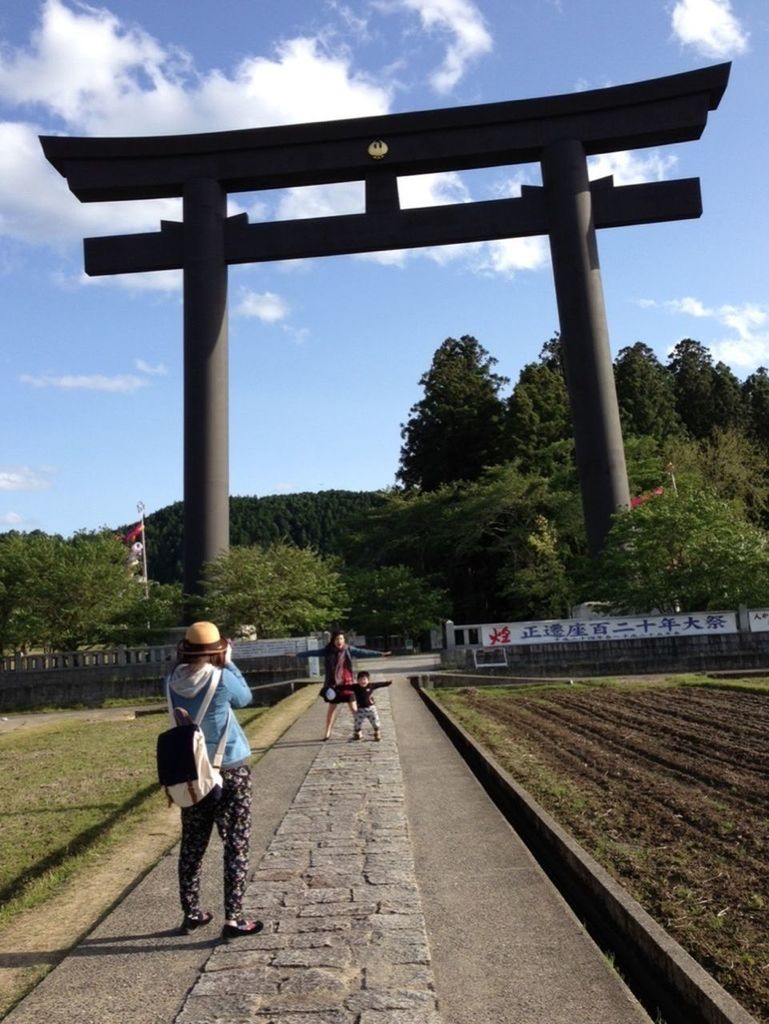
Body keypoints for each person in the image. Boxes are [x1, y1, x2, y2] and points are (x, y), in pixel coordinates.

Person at [165, 621, 263, 942]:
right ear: (217, 649)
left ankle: (192, 912)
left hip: (193, 772)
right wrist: (231, 661)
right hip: (230, 769)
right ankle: (233, 918)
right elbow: (245, 697)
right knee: (235, 843)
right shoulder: (221, 678)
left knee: (193, 843)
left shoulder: (171, 681)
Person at [297, 630, 391, 740]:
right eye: (337, 639)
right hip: (334, 686)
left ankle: (358, 730)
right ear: (333, 640)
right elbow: (313, 653)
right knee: (331, 710)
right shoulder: (328, 651)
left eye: (341, 638)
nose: (339, 641)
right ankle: (327, 732)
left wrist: (380, 654)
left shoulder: (348, 649)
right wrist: (297, 654)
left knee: (355, 710)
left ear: (344, 640)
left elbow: (363, 652)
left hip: (348, 683)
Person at [351, 670, 392, 741]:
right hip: (361, 709)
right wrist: (337, 687)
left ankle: (377, 733)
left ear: (368, 680)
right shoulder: (355, 687)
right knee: (357, 722)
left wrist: (387, 683)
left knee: (375, 722)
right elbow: (345, 687)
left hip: (371, 708)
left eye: (364, 679)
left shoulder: (371, 686)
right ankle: (357, 733)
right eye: (360, 680)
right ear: (357, 680)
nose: (363, 681)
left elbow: (379, 684)